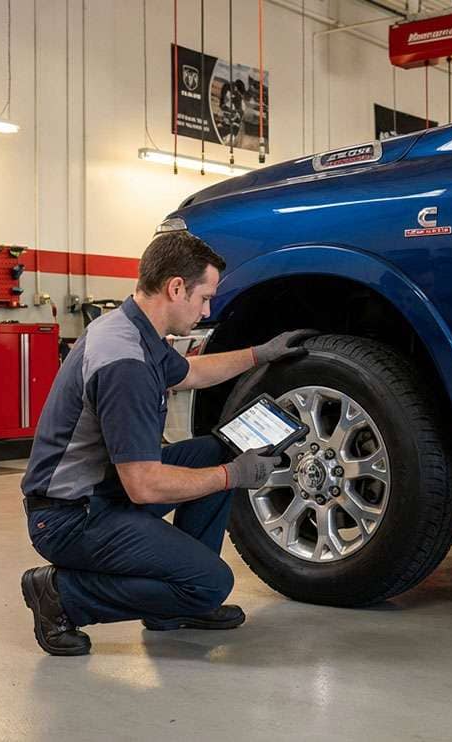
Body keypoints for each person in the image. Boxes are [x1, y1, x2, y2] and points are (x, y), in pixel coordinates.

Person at [18, 230, 315, 656]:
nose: (207, 309)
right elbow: (145, 486)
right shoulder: (127, 364)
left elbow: (190, 373)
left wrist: (260, 354)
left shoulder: (132, 330)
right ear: (176, 288)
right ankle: (63, 595)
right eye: (204, 298)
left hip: (99, 491)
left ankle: (171, 604)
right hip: (70, 518)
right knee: (214, 581)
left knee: (214, 449)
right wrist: (234, 476)